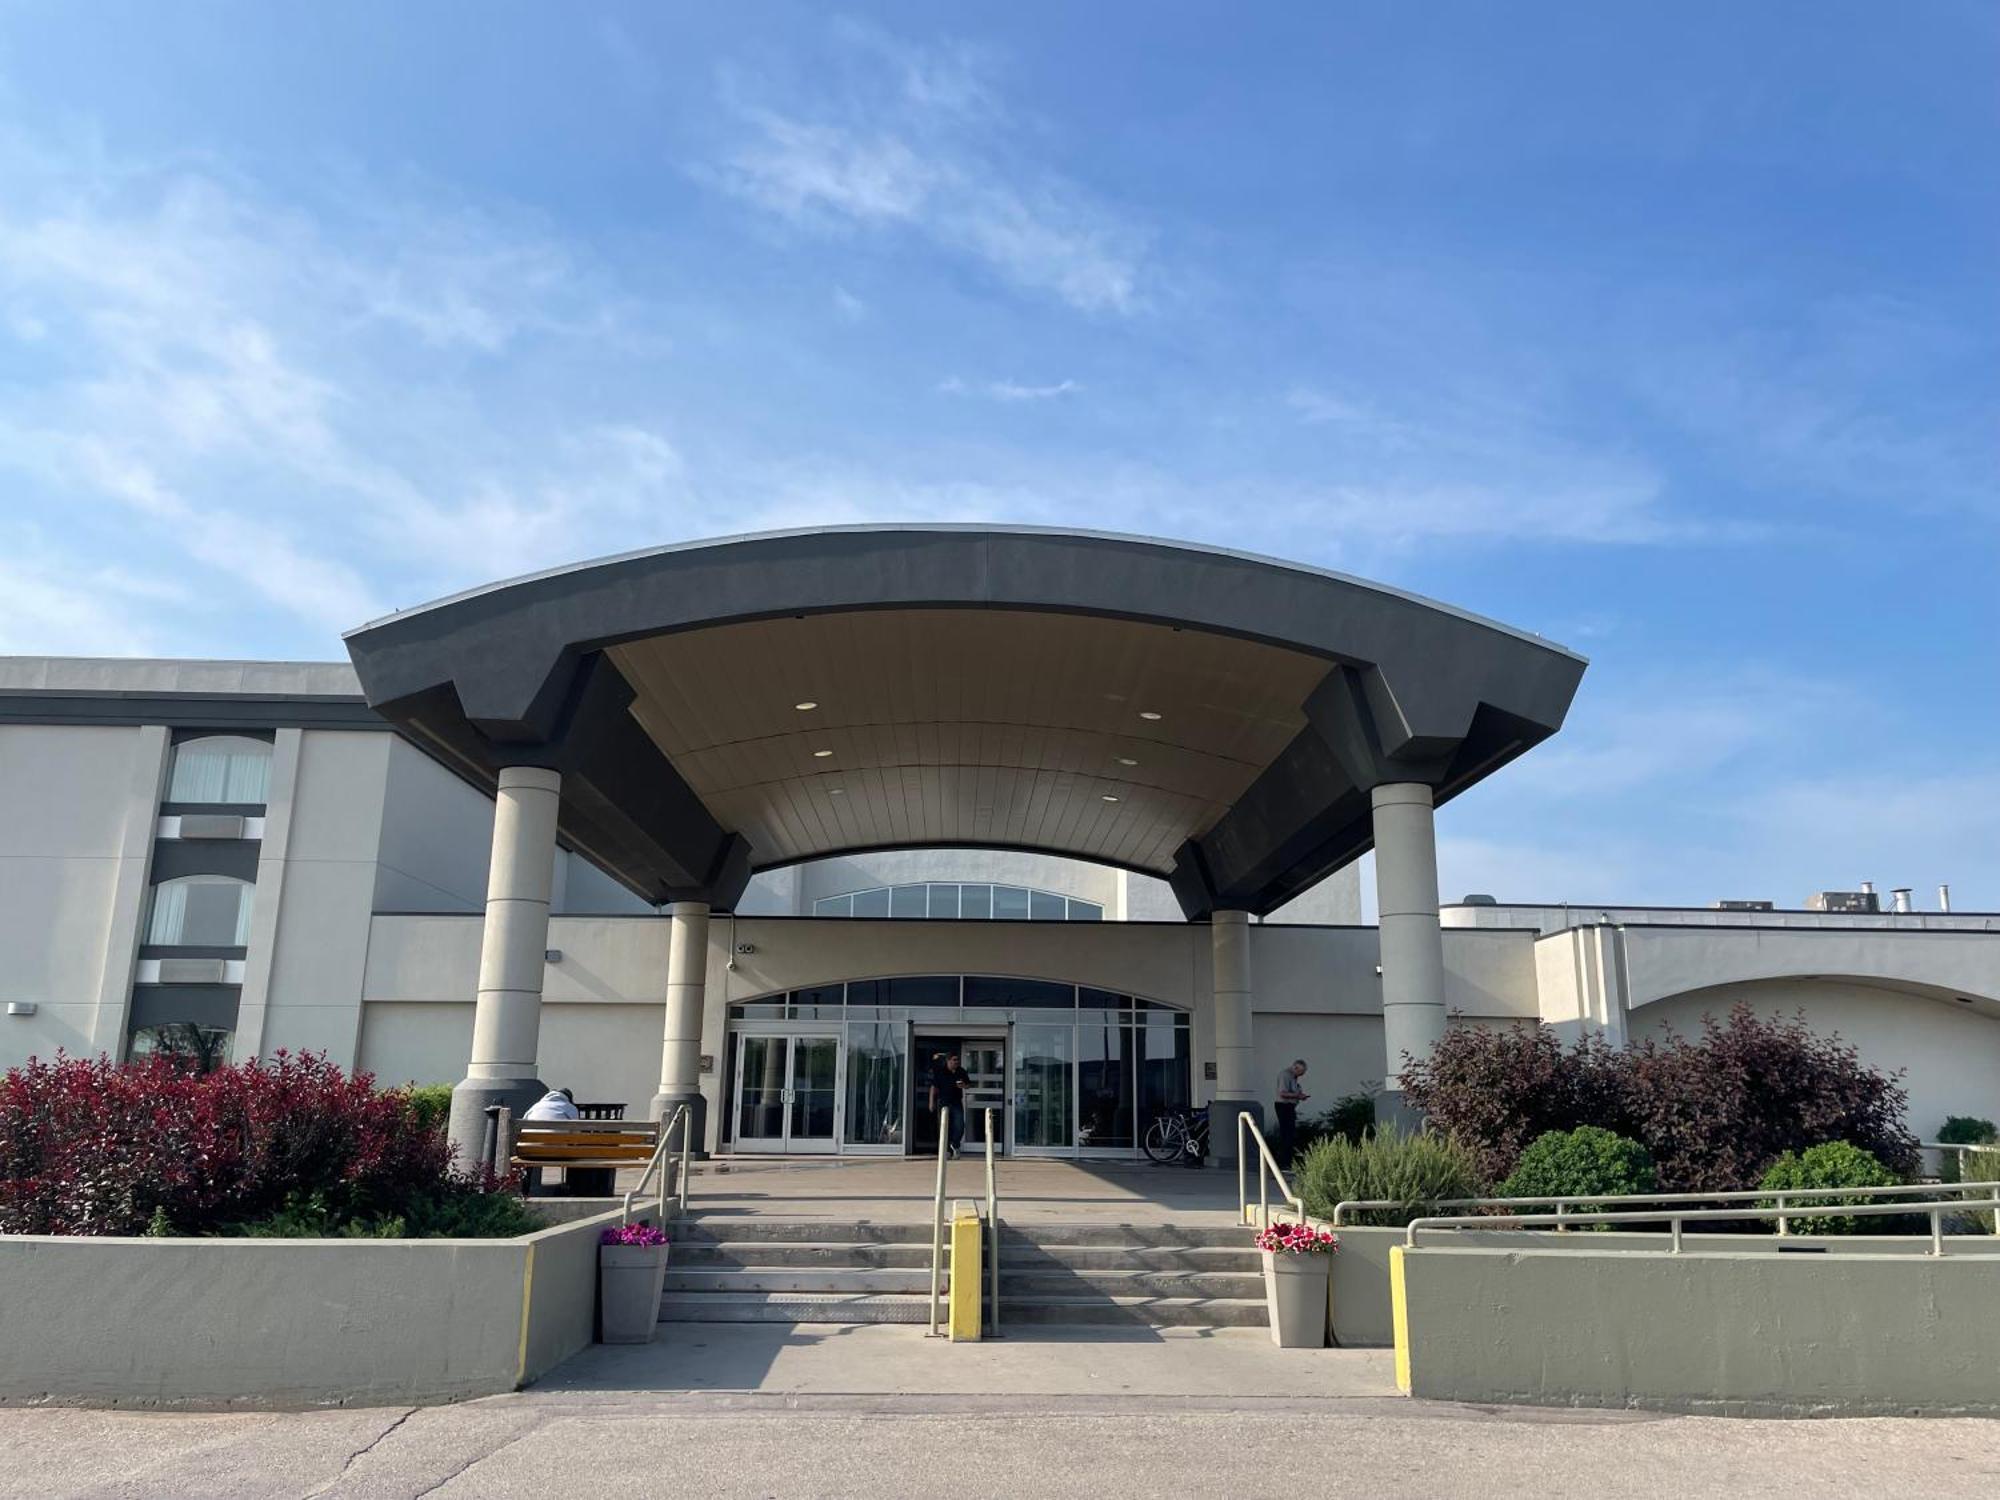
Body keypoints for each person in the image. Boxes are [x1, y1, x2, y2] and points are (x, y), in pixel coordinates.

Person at [930, 1052, 967, 1158]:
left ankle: (955, 1144)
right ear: (948, 1061)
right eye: (954, 1060)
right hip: (943, 1102)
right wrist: (931, 1102)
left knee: (959, 1125)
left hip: (956, 1102)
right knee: (943, 1126)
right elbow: (933, 1087)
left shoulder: (961, 1071)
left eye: (957, 1060)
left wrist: (963, 1085)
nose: (956, 1062)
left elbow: (968, 1084)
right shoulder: (941, 1072)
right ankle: (946, 1150)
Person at [1274, 1060, 1309, 1164]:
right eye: (1301, 1072)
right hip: (1284, 1106)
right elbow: (1282, 1093)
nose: (1302, 1075)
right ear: (1295, 1068)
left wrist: (1299, 1095)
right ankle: (1283, 1162)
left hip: (1289, 1106)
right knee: (1286, 1134)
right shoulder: (1285, 1075)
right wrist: (1298, 1096)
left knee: (1290, 1134)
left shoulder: (1293, 1077)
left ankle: (1287, 1161)